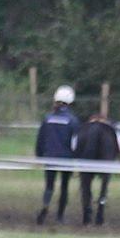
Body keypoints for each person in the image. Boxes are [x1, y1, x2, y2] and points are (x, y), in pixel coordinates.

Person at [34, 85, 81, 225]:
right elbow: (76, 142)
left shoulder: (47, 118)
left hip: (50, 156)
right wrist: (76, 158)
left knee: (49, 186)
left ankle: (45, 205)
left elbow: (40, 138)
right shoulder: (73, 120)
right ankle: (60, 216)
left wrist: (39, 154)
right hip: (66, 158)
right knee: (64, 187)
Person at [73, 114, 120, 225]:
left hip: (84, 158)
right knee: (104, 185)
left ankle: (86, 214)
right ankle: (100, 213)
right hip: (107, 158)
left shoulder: (84, 129)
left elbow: (74, 146)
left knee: (85, 184)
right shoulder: (112, 129)